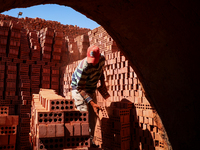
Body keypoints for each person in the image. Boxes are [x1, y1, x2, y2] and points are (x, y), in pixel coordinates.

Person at [71, 45, 107, 147]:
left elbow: (101, 70)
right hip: (79, 90)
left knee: (93, 116)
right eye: (91, 61)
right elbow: (80, 88)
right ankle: (82, 143)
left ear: (99, 56)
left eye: (95, 60)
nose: (93, 63)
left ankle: (90, 142)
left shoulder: (102, 59)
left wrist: (102, 82)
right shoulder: (84, 67)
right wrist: (92, 103)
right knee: (84, 114)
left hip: (91, 88)